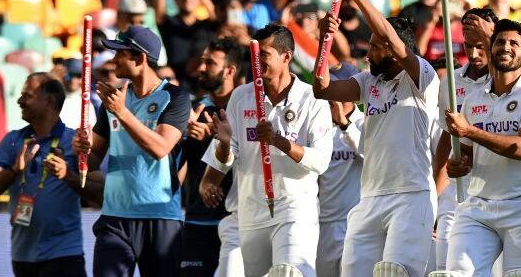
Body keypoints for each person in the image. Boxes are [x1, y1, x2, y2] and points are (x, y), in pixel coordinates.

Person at [313, 0, 440, 277]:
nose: (368, 54)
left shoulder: (421, 76)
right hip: (369, 197)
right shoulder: (367, 81)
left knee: (394, 272)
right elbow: (322, 88)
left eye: (375, 47)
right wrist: (324, 41)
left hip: (411, 196)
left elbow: (391, 39)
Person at [208, 24, 332, 277]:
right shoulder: (241, 96)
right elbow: (225, 161)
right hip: (251, 212)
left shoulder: (312, 98)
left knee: (289, 273)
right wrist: (223, 144)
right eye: (253, 54)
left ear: (286, 57)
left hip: (295, 210)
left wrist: (279, 142)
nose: (256, 61)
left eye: (263, 54)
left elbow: (321, 162)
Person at [71, 26, 191, 277]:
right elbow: (92, 161)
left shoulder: (175, 97)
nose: (113, 60)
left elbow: (160, 148)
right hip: (115, 216)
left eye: (119, 54)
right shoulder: (113, 102)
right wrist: (81, 150)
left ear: (140, 58)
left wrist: (122, 113)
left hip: (160, 216)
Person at [442, 19, 521, 277]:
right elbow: (466, 157)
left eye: (514, 43)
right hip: (479, 206)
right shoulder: (472, 99)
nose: (506, 47)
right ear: (491, 50)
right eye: (500, 42)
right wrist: (456, 165)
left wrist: (470, 131)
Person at [0, 73, 102, 277]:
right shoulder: (12, 140)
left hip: (64, 255)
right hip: (22, 257)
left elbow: (101, 196)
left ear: (48, 101)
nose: (19, 100)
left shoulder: (75, 142)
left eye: (27, 95)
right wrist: (15, 170)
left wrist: (68, 176)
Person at [431, 7, 499, 271]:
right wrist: (435, 198)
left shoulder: (506, 79)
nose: (473, 54)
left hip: (496, 195)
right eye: (468, 46)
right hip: (456, 194)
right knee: (445, 269)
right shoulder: (450, 81)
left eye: (481, 45)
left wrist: (491, 36)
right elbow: (446, 141)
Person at [179, 38, 246, 277]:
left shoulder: (248, 109)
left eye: (210, 62)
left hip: (239, 222)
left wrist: (215, 137)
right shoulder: (194, 111)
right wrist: (182, 136)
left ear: (230, 70)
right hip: (198, 221)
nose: (201, 68)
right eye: (202, 61)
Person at [317, 99, 365, 277]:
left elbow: (370, 155)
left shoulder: (365, 122)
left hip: (355, 222)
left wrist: (344, 124)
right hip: (324, 223)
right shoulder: (319, 126)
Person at [153, 0, 217, 84]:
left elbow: (218, 19)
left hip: (202, 84)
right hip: (174, 83)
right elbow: (158, 8)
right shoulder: (170, 23)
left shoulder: (205, 25)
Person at [59, 58, 97, 130]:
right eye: (70, 75)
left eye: (78, 76)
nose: (73, 80)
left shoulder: (87, 104)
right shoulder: (53, 99)